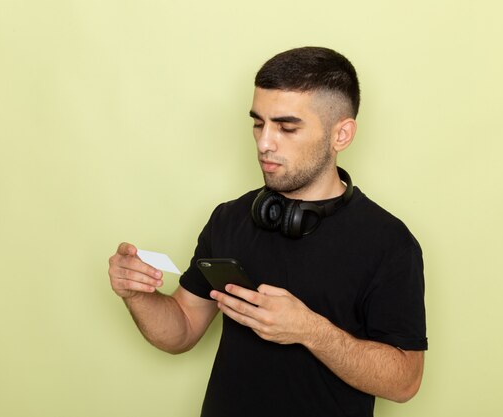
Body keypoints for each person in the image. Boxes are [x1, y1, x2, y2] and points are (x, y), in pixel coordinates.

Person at [109, 47, 427, 417]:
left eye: (287, 127)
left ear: (341, 135)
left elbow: (405, 381)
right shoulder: (230, 219)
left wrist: (310, 330)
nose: (264, 143)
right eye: (259, 123)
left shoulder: (389, 242)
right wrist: (136, 295)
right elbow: (181, 329)